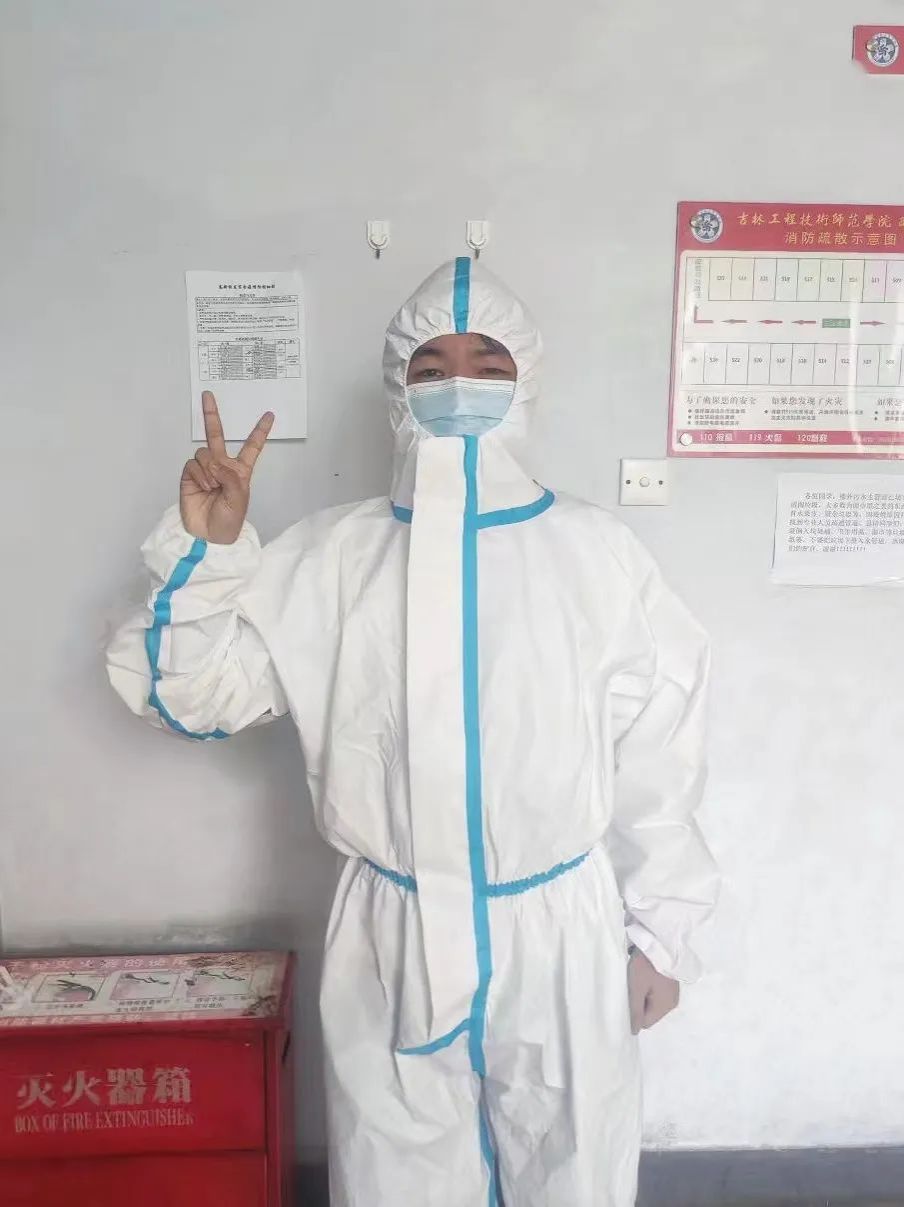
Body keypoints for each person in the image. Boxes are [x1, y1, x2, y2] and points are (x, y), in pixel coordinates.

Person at [107, 258, 719, 1206]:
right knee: (394, 1175)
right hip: (388, 935)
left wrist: (661, 934)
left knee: (573, 1171)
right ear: (397, 388)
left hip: (558, 932)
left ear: (526, 381)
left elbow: (660, 754)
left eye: (488, 364)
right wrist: (210, 549)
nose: (458, 385)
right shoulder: (333, 555)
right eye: (431, 367)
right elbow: (191, 697)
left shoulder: (595, 553)